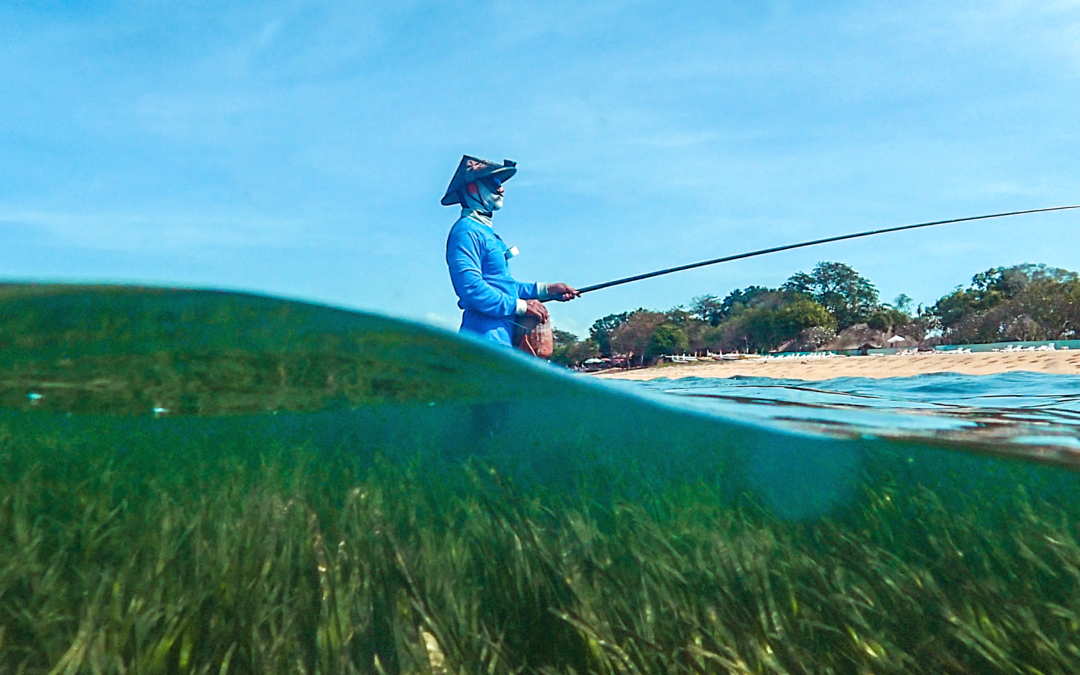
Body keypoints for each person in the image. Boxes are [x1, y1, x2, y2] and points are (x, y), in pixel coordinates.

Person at [443, 155, 579, 347]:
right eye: (494, 182)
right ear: (472, 187)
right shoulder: (466, 232)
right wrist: (522, 306)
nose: (501, 188)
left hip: (503, 340)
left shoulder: (487, 233)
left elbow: (504, 287)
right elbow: (471, 288)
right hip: (483, 341)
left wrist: (547, 290)